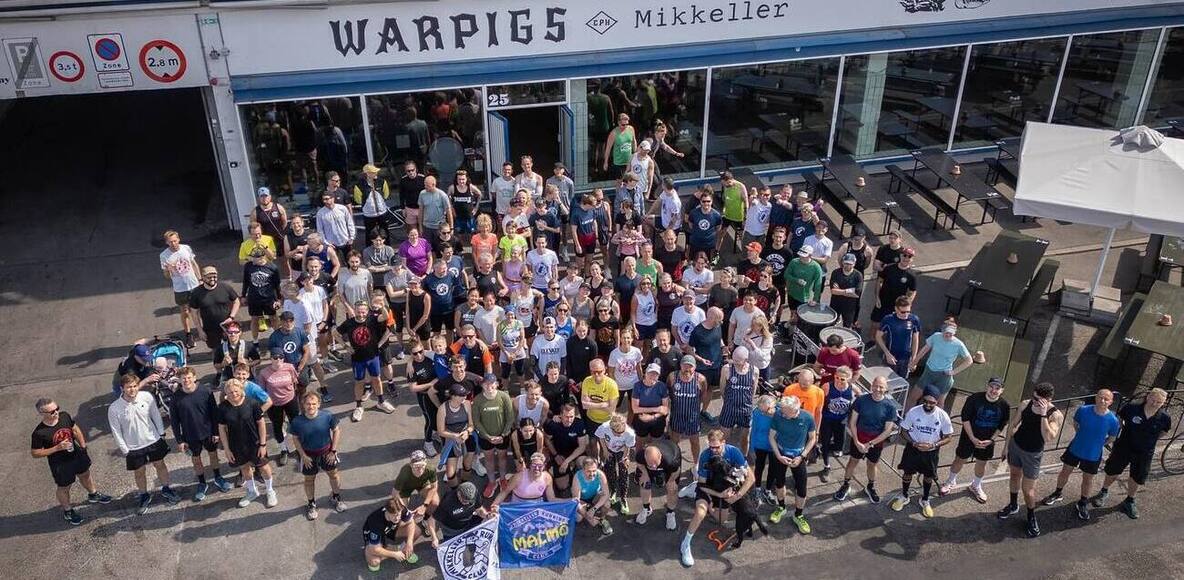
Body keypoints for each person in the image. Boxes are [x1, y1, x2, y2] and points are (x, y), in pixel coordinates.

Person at [30, 398, 113, 525]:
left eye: (57, 409)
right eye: (52, 412)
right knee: (64, 487)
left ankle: (93, 494)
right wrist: (57, 448)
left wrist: (83, 446)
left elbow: (75, 430)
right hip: (60, 463)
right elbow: (35, 453)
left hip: (77, 454)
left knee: (85, 474)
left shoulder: (64, 416)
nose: (56, 413)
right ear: (42, 413)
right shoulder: (39, 432)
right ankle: (68, 511)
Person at [1092, 387, 1171, 519]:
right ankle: (1103, 491)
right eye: (1153, 399)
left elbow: (1164, 432)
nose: (1155, 403)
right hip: (1124, 447)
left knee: (1137, 477)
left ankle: (1129, 500)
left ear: (1163, 403)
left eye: (1159, 402)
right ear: (1148, 397)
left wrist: (1150, 439)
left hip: (1144, 452)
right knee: (1113, 470)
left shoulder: (1165, 417)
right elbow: (1120, 418)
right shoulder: (1132, 408)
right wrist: (1125, 430)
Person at [1042, 388, 1120, 521]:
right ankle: (1057, 493)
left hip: (1093, 454)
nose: (1102, 401)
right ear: (1096, 397)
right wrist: (1082, 437)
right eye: (1100, 397)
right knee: (1065, 472)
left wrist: (1097, 443)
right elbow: (1076, 423)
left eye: (1106, 399)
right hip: (1075, 448)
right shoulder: (1083, 410)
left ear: (1111, 402)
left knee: (1087, 479)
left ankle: (1083, 502)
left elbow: (1112, 438)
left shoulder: (1113, 420)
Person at [998, 382, 1063, 537]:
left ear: (1048, 399)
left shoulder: (1055, 415)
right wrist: (1006, 447)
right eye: (1034, 397)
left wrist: (1043, 415)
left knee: (1028, 490)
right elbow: (1012, 425)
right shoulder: (1025, 404)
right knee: (1014, 476)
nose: (1034, 401)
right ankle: (1013, 505)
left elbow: (1048, 437)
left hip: (1032, 454)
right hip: (1016, 446)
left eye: (1039, 399)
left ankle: (1031, 516)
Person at [109, 373, 181, 515]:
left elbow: (156, 415)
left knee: (160, 465)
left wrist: (161, 434)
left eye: (135, 386)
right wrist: (125, 449)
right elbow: (116, 431)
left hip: (153, 440)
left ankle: (166, 489)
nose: (132, 389)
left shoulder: (147, 397)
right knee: (139, 472)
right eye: (129, 387)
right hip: (133, 447)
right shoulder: (114, 408)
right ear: (122, 388)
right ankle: (144, 495)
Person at [681, 428, 753, 567]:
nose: (713, 450)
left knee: (721, 520)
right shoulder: (705, 455)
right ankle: (686, 543)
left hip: (723, 487)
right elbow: (702, 485)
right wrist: (719, 495)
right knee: (700, 513)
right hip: (708, 487)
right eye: (711, 447)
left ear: (724, 442)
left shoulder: (734, 452)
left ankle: (707, 502)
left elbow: (751, 478)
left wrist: (736, 496)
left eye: (717, 447)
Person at [940, 377, 1011, 503]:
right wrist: (972, 438)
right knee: (959, 459)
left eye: (997, 388)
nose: (993, 390)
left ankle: (976, 485)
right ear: (987, 386)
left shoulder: (1004, 405)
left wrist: (991, 440)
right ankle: (950, 481)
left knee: (981, 463)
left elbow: (1002, 424)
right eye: (991, 386)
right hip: (968, 437)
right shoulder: (974, 399)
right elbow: (965, 419)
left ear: (1002, 391)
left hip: (987, 441)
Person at [890, 387, 955, 518]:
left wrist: (933, 445)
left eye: (932, 402)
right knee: (907, 472)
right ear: (922, 399)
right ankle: (904, 495)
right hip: (913, 449)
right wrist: (914, 443)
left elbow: (948, 437)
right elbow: (903, 431)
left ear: (937, 402)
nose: (928, 405)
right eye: (925, 401)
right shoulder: (913, 412)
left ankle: (925, 499)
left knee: (928, 476)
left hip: (931, 452)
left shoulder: (942, 416)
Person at [169, 366, 232, 501]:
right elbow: (174, 421)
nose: (186, 380)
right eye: (183, 378)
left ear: (194, 377)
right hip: (190, 436)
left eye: (189, 377)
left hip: (208, 433)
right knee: (196, 460)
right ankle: (202, 483)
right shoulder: (175, 398)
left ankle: (218, 477)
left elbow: (214, 413)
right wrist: (179, 440)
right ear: (179, 380)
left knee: (213, 455)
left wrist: (216, 432)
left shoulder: (205, 391)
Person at [833, 376, 899, 504]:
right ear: (871, 386)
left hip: (876, 442)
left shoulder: (890, 407)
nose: (878, 389)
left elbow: (887, 431)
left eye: (881, 387)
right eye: (876, 386)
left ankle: (870, 486)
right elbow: (852, 422)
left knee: (872, 464)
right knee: (853, 461)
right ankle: (846, 484)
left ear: (886, 389)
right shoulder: (861, 400)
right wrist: (856, 441)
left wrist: (870, 444)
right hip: (859, 438)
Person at [217, 379, 277, 509]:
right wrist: (227, 449)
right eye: (230, 392)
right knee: (244, 467)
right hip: (236, 444)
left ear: (241, 390)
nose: (234, 394)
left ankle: (270, 490)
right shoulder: (222, 408)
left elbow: (261, 423)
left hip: (255, 442)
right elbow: (221, 428)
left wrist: (263, 444)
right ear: (226, 393)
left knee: (263, 467)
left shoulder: (252, 403)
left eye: (236, 391)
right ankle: (252, 491)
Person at [290, 391, 346, 520]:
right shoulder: (297, 421)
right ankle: (311, 504)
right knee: (309, 480)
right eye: (308, 404)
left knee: (333, 474)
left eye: (314, 404)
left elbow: (336, 430)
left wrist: (333, 451)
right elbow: (295, 439)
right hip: (308, 456)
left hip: (327, 453)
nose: (311, 406)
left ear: (319, 404)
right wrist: (303, 456)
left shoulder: (327, 416)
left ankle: (336, 497)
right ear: (303, 405)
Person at [337, 301, 395, 422]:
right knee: (359, 382)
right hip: (357, 359)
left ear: (367, 311)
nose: (361, 314)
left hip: (373, 356)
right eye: (358, 311)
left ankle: (381, 402)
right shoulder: (349, 323)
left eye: (363, 312)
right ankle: (358, 406)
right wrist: (345, 346)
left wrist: (382, 305)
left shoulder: (372, 319)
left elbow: (385, 316)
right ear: (354, 310)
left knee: (377, 379)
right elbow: (335, 333)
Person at [768, 395, 817, 533]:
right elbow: (771, 437)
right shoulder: (778, 415)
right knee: (779, 483)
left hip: (798, 456)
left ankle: (798, 515)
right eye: (782, 411)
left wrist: (802, 456)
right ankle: (781, 507)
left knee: (801, 487)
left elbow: (812, 438)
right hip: (780, 454)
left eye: (785, 412)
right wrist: (779, 456)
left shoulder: (807, 417)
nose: (782, 414)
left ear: (795, 410)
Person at [908, 321, 973, 410]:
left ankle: (936, 419)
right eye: (946, 332)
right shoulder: (936, 336)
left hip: (944, 376)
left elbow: (969, 360)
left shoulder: (959, 344)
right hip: (929, 372)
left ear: (954, 333)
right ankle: (906, 416)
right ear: (942, 330)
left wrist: (953, 372)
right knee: (913, 396)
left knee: (939, 403)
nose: (948, 335)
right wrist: (914, 362)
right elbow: (924, 350)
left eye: (951, 333)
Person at [257, 346, 302, 466]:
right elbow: (261, 391)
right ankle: (283, 449)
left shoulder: (290, 367)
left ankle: (299, 448)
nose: (278, 360)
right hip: (274, 404)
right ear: (271, 358)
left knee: (295, 424)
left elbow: (295, 381)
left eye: (281, 357)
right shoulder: (264, 373)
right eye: (275, 357)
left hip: (290, 400)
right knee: (277, 426)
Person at [472, 374, 515, 497]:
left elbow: (510, 418)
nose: (489, 386)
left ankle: (502, 479)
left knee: (502, 458)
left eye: (492, 383)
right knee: (489, 459)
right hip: (486, 437)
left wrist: (503, 435)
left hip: (502, 436)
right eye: (486, 384)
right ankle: (491, 482)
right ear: (482, 385)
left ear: (496, 384)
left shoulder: (504, 396)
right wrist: (487, 436)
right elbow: (476, 421)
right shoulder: (477, 400)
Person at [818, 366, 862, 482]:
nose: (838, 381)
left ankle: (826, 448)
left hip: (841, 420)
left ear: (849, 379)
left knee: (839, 446)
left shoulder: (853, 389)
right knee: (825, 442)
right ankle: (826, 465)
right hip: (827, 419)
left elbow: (860, 399)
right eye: (836, 377)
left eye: (842, 379)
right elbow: (819, 401)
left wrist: (854, 411)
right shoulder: (827, 386)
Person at [669, 355, 710, 478]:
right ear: (680, 365)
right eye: (684, 365)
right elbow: (668, 394)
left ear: (695, 367)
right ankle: (674, 464)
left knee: (695, 442)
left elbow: (703, 396)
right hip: (677, 416)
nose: (687, 368)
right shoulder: (672, 377)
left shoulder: (700, 379)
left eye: (690, 366)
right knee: (674, 442)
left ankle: (696, 465)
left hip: (693, 417)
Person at [159, 230, 202, 347]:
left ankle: (201, 329)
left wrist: (200, 279)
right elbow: (166, 276)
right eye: (170, 242)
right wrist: (168, 270)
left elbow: (193, 264)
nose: (173, 244)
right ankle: (188, 334)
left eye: (175, 241)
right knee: (185, 311)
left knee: (199, 309)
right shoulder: (164, 255)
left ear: (178, 239)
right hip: (180, 288)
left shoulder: (186, 248)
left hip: (194, 284)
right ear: (167, 243)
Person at [391, 450, 440, 549]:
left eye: (422, 466)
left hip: (422, 484)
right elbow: (395, 493)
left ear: (426, 463)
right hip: (405, 488)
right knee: (399, 514)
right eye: (416, 466)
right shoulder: (405, 472)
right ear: (410, 465)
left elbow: (434, 487)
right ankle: (399, 530)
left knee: (435, 502)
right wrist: (405, 510)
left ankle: (426, 519)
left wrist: (424, 505)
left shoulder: (430, 469)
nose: (419, 469)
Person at [188, 266, 241, 352]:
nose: (212, 279)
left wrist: (231, 317)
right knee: (216, 351)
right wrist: (200, 330)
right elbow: (194, 313)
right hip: (210, 329)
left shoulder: (225, 287)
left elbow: (236, 301)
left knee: (233, 348)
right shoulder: (196, 293)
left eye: (214, 277)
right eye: (209, 277)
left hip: (228, 326)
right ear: (203, 277)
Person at [634, 437, 682, 530]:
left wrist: (671, 481)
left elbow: (676, 471)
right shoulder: (640, 455)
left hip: (671, 462)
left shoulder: (671, 460)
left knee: (672, 489)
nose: (654, 467)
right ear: (645, 457)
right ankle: (646, 508)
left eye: (656, 464)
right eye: (651, 464)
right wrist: (645, 474)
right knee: (644, 483)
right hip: (653, 458)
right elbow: (639, 464)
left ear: (660, 456)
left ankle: (670, 513)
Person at [595, 412, 637, 515]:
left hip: (622, 451)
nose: (619, 435)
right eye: (617, 433)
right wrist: (605, 451)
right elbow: (601, 437)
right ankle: (613, 491)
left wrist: (625, 457)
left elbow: (628, 446)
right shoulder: (604, 427)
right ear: (611, 428)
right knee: (610, 471)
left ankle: (623, 498)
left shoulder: (630, 433)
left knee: (623, 474)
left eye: (621, 432)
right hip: (609, 450)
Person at [719, 345, 758, 453]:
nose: (734, 362)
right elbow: (722, 388)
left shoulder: (754, 371)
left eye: (737, 361)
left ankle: (743, 457)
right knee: (723, 438)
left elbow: (753, 391)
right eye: (734, 359)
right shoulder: (727, 369)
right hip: (729, 409)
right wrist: (728, 402)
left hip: (745, 410)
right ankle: (723, 457)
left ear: (746, 360)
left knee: (745, 439)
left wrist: (747, 403)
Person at [545, 404, 589, 493]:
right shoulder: (553, 424)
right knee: (562, 486)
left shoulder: (579, 423)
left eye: (571, 416)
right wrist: (556, 455)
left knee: (584, 463)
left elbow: (582, 447)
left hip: (575, 454)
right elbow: (547, 440)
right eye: (566, 417)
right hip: (559, 454)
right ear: (560, 415)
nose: (569, 420)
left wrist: (567, 461)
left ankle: (577, 474)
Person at [241, 248, 282, 342]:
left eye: (255, 258)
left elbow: (277, 285)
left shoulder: (272, 267)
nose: (253, 260)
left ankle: (279, 339)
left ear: (262, 257)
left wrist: (279, 299)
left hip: (269, 298)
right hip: (254, 298)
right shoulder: (248, 266)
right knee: (254, 319)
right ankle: (255, 341)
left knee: (273, 318)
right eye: (252, 257)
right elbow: (245, 281)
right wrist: (243, 295)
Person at [876, 297, 921, 379]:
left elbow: (915, 339)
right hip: (891, 357)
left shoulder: (914, 320)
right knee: (886, 380)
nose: (906, 314)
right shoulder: (888, 319)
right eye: (903, 312)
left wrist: (914, 358)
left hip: (906, 359)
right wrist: (887, 353)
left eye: (908, 311)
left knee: (901, 382)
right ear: (896, 309)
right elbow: (878, 336)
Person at [493, 451, 560, 505]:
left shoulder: (547, 477)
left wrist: (567, 501)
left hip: (536, 508)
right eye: (534, 465)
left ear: (544, 466)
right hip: (518, 508)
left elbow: (551, 499)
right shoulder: (518, 477)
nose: (537, 468)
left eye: (540, 466)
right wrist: (494, 505)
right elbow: (505, 492)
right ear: (530, 465)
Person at [872, 246, 916, 324]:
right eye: (904, 255)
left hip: (897, 306)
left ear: (912, 259)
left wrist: (907, 304)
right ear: (900, 256)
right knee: (875, 324)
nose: (906, 258)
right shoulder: (889, 268)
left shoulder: (911, 275)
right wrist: (877, 298)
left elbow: (912, 291)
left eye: (909, 256)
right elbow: (879, 281)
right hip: (883, 302)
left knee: (893, 326)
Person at [631, 363, 670, 446]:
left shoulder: (662, 386)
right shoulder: (637, 386)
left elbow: (665, 409)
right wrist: (656, 409)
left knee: (656, 443)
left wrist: (652, 417)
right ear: (645, 373)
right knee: (640, 442)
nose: (653, 376)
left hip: (658, 420)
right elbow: (635, 409)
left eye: (656, 374)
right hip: (641, 419)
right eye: (650, 373)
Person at [580, 359, 620, 441]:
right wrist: (603, 404)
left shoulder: (612, 385)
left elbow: (611, 409)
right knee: (593, 441)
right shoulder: (586, 381)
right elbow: (584, 405)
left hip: (607, 420)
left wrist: (591, 403)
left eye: (599, 371)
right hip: (591, 418)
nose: (596, 374)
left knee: (605, 443)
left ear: (605, 369)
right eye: (593, 372)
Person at [573, 456, 614, 535]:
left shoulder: (600, 474)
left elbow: (606, 494)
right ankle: (588, 511)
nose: (592, 474)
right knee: (578, 518)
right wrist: (589, 518)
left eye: (594, 471)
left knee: (607, 504)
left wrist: (594, 509)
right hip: (583, 500)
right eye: (588, 471)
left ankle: (602, 519)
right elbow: (576, 501)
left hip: (595, 497)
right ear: (583, 470)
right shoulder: (577, 477)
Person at [688, 307, 725, 388]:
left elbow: (719, 338)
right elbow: (690, 350)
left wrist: (723, 347)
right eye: (719, 320)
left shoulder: (717, 326)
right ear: (711, 318)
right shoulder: (697, 331)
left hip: (717, 364)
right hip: (703, 368)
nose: (721, 322)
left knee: (716, 388)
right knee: (704, 389)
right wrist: (701, 360)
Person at [829, 253, 864, 329]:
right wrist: (850, 291)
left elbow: (857, 293)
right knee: (831, 324)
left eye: (850, 264)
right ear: (842, 262)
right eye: (846, 263)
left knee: (847, 327)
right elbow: (833, 291)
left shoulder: (858, 275)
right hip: (835, 304)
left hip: (850, 307)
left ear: (854, 264)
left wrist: (840, 291)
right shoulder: (835, 273)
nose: (847, 266)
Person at [316, 190, 356, 257]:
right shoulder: (320, 213)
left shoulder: (342, 208)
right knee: (335, 262)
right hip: (331, 244)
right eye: (323, 199)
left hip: (346, 241)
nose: (325, 201)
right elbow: (320, 230)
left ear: (333, 198)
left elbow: (350, 223)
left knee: (349, 260)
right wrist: (326, 243)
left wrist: (351, 237)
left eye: (327, 199)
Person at [685, 194, 722, 264]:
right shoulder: (693, 213)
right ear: (700, 202)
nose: (706, 203)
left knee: (707, 264)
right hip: (695, 243)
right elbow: (691, 225)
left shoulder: (717, 215)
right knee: (692, 263)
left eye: (708, 201)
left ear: (712, 201)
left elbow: (718, 228)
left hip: (709, 245)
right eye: (704, 201)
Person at [603, 112, 637, 177]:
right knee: (620, 181)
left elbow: (634, 141)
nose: (625, 126)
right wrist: (605, 162)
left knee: (630, 180)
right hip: (618, 163)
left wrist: (635, 154)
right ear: (618, 123)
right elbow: (608, 148)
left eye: (627, 124)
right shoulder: (613, 133)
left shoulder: (631, 129)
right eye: (623, 125)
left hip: (629, 162)